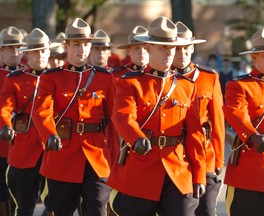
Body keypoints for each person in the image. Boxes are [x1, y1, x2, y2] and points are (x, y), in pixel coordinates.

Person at [107, 16, 206, 216]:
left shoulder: (187, 86)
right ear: (149, 48)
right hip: (142, 167)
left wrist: (200, 175)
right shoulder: (130, 83)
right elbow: (123, 117)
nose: (169, 54)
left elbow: (196, 134)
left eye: (172, 48)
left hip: (177, 169)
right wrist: (136, 139)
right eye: (162, 48)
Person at [32, 17, 115, 216]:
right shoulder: (51, 77)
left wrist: (116, 157)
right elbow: (42, 111)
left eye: (86, 44)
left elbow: (114, 118)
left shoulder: (104, 77)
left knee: (97, 209)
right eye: (77, 44)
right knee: (61, 210)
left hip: (96, 155)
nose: (82, 49)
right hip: (63, 154)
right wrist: (49, 135)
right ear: (66, 46)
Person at [223, 26, 264, 216]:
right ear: (254, 57)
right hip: (252, 171)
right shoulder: (239, 86)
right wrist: (252, 136)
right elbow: (236, 113)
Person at [0, 27, 57, 216]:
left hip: (54, 147)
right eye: (34, 51)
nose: (39, 55)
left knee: (57, 202)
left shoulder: (61, 78)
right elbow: (5, 107)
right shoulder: (15, 80)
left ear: (49, 52)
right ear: (28, 54)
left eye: (43, 51)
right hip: (24, 148)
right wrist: (6, 125)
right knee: (23, 203)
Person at [172, 21, 225, 216]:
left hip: (205, 154)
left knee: (207, 211)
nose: (182, 53)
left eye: (186, 48)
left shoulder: (208, 77)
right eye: (177, 49)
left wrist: (218, 160)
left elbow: (218, 122)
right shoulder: (162, 80)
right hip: (175, 154)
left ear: (192, 48)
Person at [0, 26, 25, 216]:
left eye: (18, 47)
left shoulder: (29, 75)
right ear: (1, 50)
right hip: (1, 143)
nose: (15, 52)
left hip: (25, 143)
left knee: (22, 191)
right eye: (10, 48)